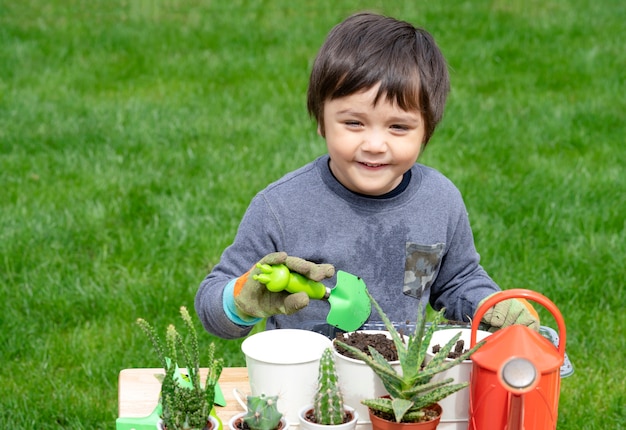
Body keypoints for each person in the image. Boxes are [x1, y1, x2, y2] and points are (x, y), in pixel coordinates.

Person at [195, 12, 539, 340]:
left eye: (398, 127)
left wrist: (489, 305)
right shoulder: (281, 208)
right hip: (307, 386)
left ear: (426, 132)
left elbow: (458, 281)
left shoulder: (439, 201)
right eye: (354, 123)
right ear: (321, 122)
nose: (375, 145)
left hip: (402, 385)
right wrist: (241, 299)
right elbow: (212, 306)